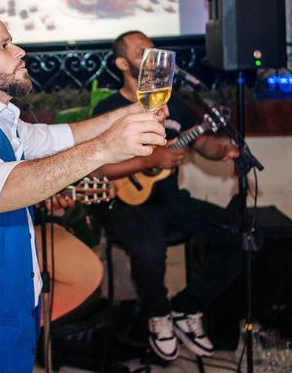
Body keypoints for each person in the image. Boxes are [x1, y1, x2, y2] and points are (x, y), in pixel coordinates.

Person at [0, 7, 167, 373]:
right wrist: (106, 149)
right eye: (5, 45)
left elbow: (65, 136)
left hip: (0, 320)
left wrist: (131, 113)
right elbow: (0, 189)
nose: (20, 51)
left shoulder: (0, 121)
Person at [90, 31, 242, 361]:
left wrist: (223, 148)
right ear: (121, 63)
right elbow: (94, 170)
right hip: (125, 204)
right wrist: (149, 160)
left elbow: (202, 145)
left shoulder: (175, 104)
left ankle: (187, 309)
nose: (150, 55)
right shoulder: (108, 108)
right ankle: (158, 315)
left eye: (152, 49)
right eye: (140, 50)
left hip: (171, 201)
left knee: (241, 236)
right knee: (148, 247)